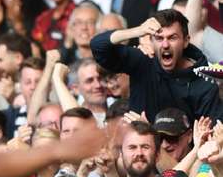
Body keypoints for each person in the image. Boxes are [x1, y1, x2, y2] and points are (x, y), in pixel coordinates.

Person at [90, 9, 223, 122]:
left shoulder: (205, 84)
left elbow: (209, 139)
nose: (165, 45)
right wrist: (137, 31)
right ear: (151, 41)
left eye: (172, 38)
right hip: (136, 149)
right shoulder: (143, 60)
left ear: (186, 41)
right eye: (159, 38)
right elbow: (98, 46)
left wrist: (149, 132)